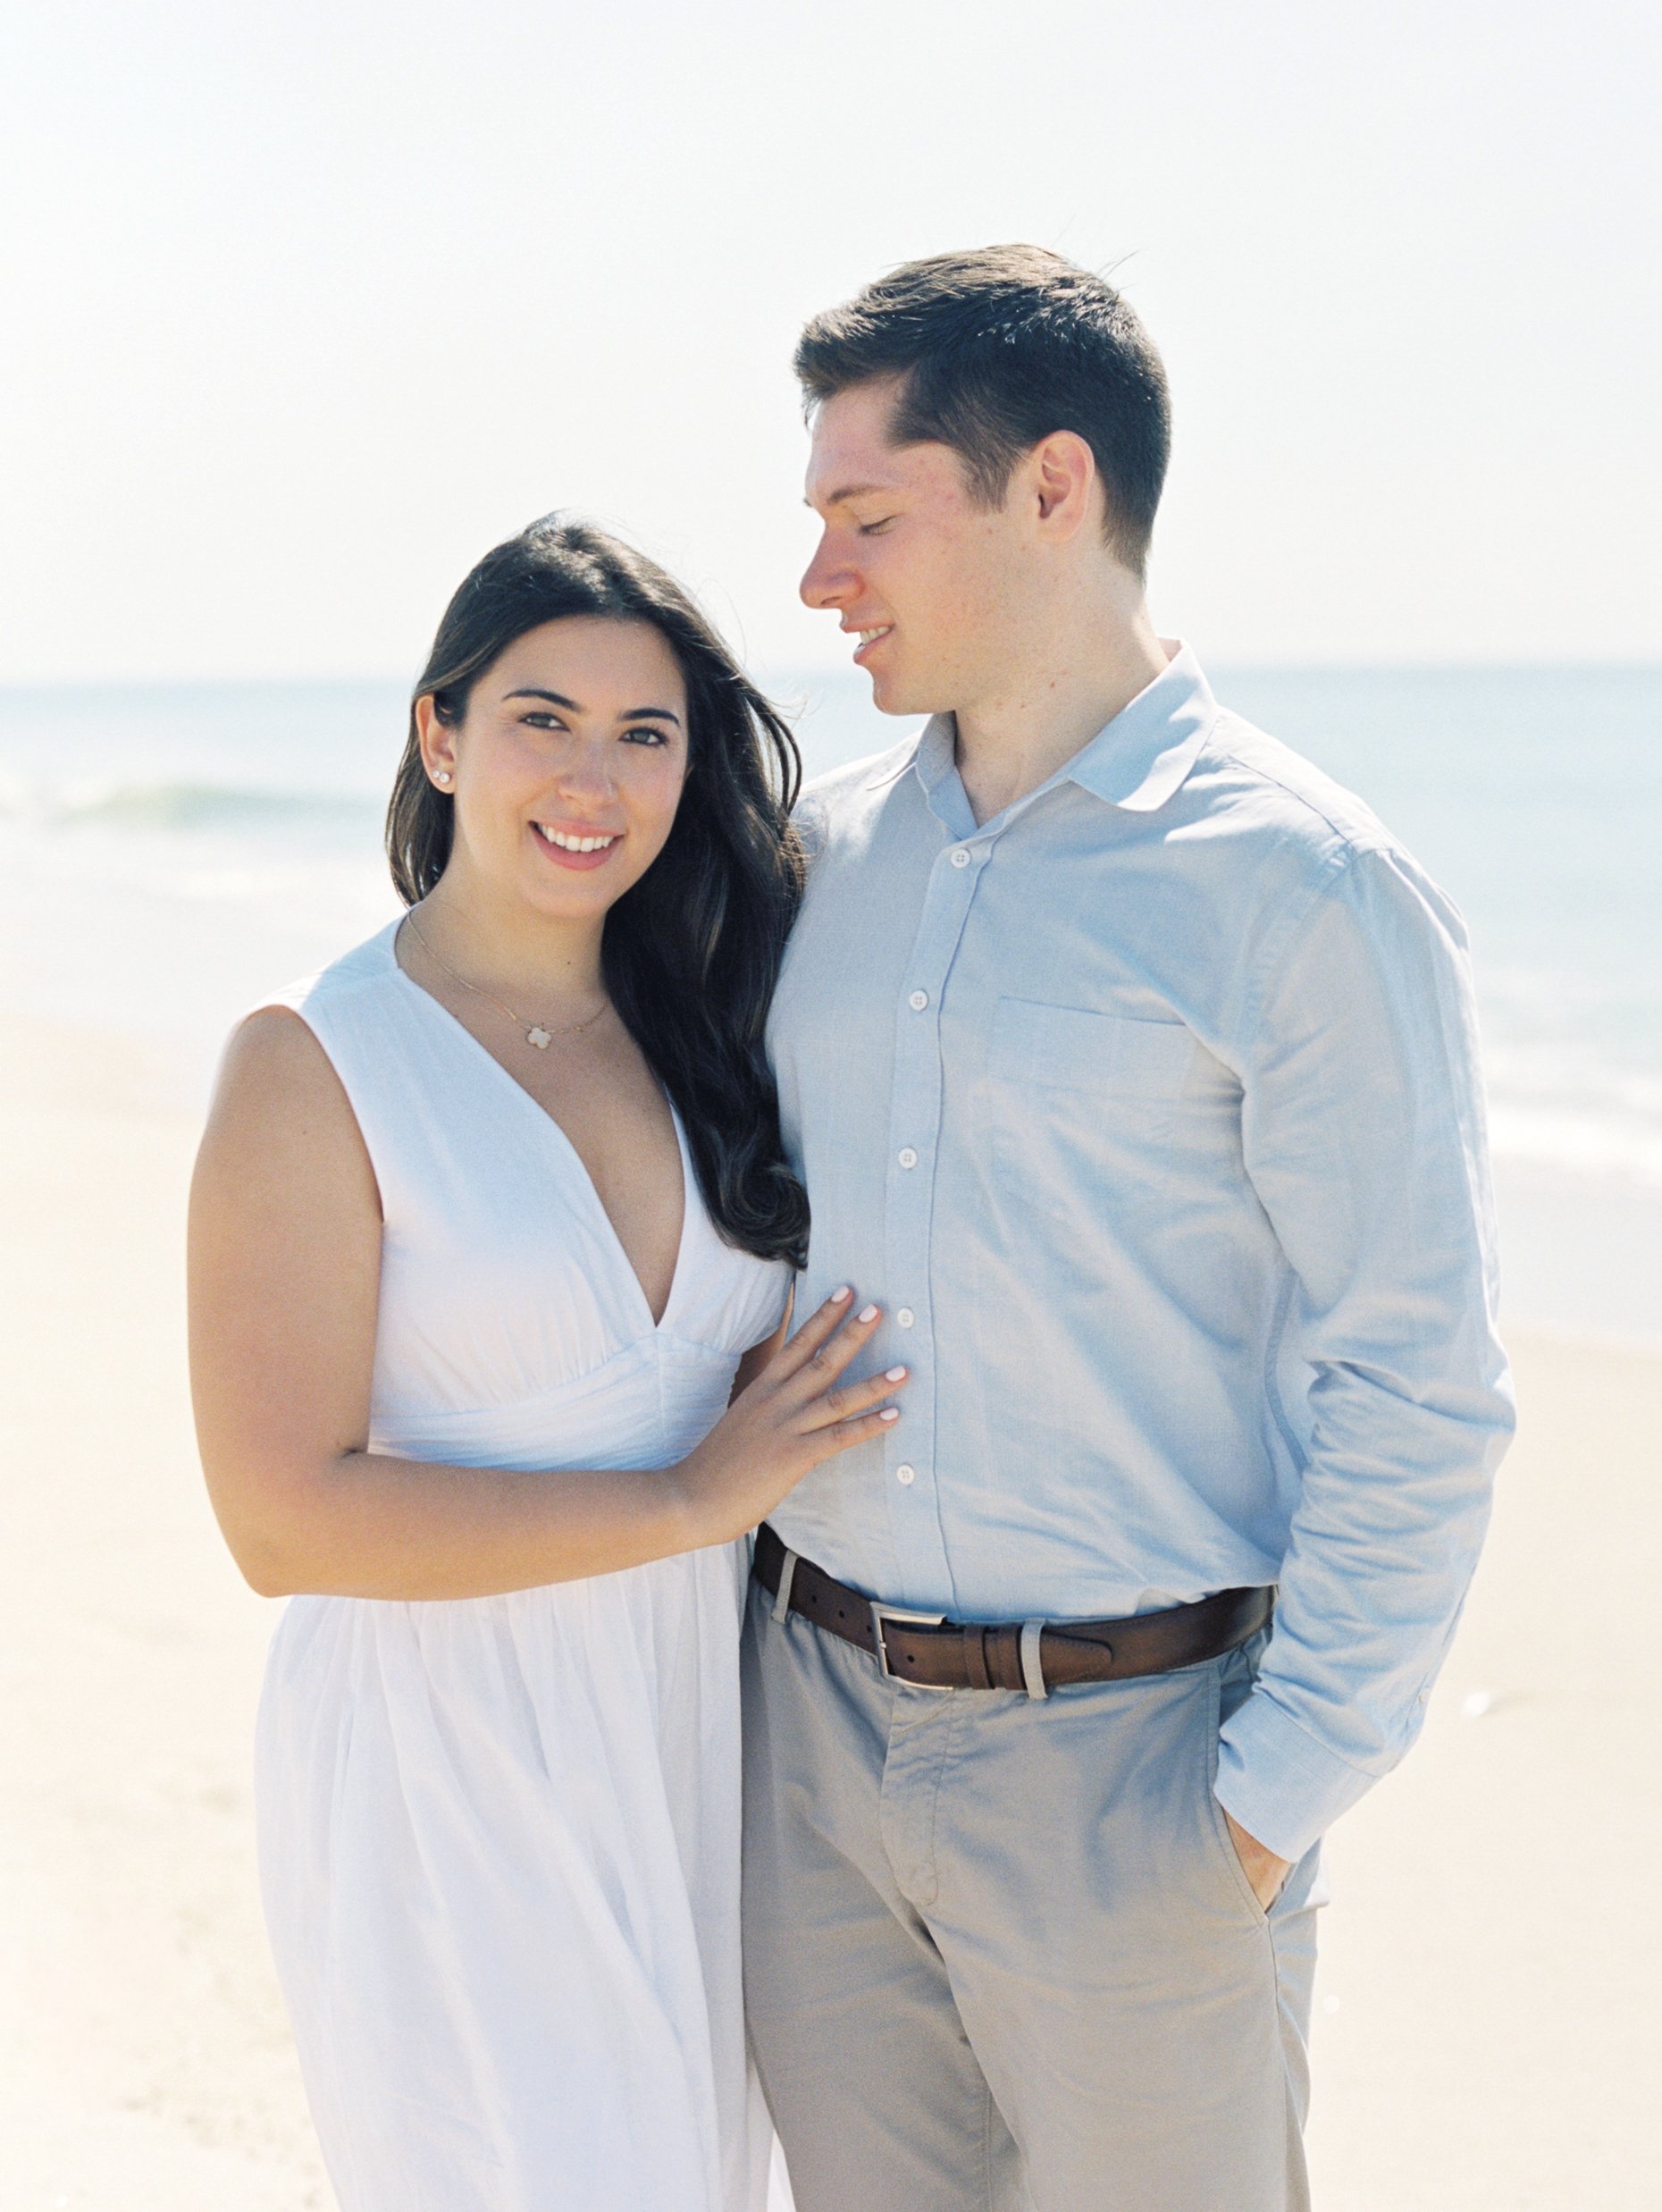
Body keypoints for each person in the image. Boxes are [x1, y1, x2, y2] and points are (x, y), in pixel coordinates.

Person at [742, 248, 1516, 2212]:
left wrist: (1259, 1809)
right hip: (810, 1750)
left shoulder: (1305, 885)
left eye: (867, 515)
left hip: (1140, 1775)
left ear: (1055, 490)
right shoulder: (815, 851)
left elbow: (1418, 1386)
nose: (822, 576)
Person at [188, 515, 904, 2212]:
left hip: (688, 1739)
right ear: (440, 737)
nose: (595, 778)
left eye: (645, 735)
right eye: (542, 719)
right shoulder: (314, 1059)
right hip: (451, 1761)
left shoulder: (710, 1028)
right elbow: (281, 1523)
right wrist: (683, 1493)